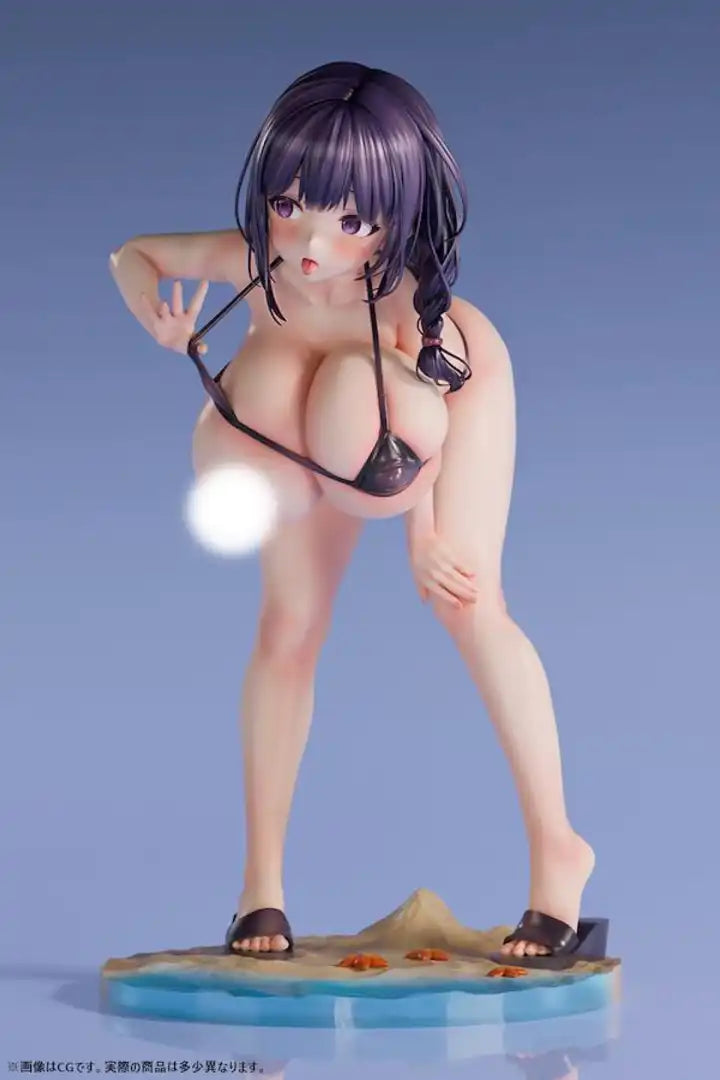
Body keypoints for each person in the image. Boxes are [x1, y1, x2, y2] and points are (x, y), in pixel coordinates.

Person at [109, 61, 598, 967]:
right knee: (288, 626)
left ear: (392, 217)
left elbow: (431, 420)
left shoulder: (408, 301)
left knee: (470, 604)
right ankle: (260, 886)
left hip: (434, 411)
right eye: (288, 205)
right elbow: (133, 254)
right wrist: (157, 315)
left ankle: (559, 853)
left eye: (349, 220)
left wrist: (425, 534)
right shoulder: (257, 264)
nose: (308, 242)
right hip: (316, 436)